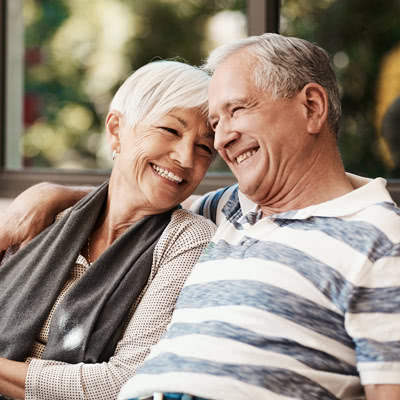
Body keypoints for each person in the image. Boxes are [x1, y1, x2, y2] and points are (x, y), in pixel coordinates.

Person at [2, 33, 400, 400]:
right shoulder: (230, 207)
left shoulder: (379, 239)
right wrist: (49, 195)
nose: (222, 140)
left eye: (237, 111)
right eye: (217, 122)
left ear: (311, 108)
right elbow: (136, 197)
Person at [0, 60, 217, 400]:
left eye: (205, 148)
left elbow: (120, 383)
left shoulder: (187, 240)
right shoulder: (47, 217)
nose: (187, 158)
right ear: (116, 130)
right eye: (171, 131)